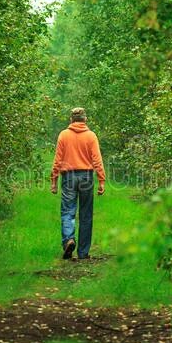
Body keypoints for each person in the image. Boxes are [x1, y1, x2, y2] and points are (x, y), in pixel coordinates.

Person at [50, 107, 106, 260]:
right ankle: (83, 253)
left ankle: (69, 239)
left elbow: (57, 161)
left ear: (71, 120)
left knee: (68, 210)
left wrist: (54, 180)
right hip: (86, 177)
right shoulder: (91, 136)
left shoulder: (63, 135)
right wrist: (101, 180)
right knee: (86, 214)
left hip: (68, 177)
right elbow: (97, 160)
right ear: (85, 119)